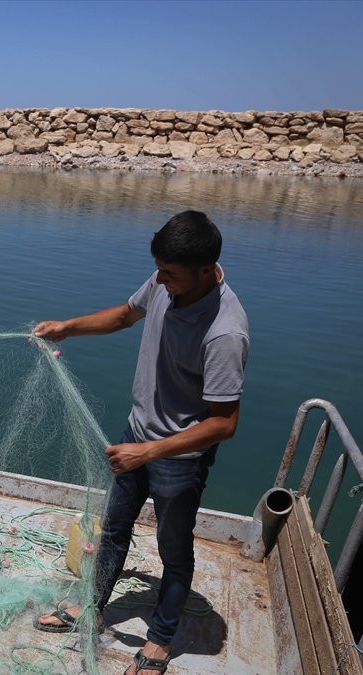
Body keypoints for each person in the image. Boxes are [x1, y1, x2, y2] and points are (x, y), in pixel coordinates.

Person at [31, 211, 249, 675]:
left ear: (206, 270)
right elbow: (126, 315)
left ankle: (160, 640)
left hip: (177, 459)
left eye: (170, 274)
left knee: (174, 549)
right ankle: (89, 607)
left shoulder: (225, 331)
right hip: (137, 437)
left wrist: (148, 452)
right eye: (160, 271)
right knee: (112, 531)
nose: (161, 281)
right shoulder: (166, 282)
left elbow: (224, 423)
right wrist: (68, 326)